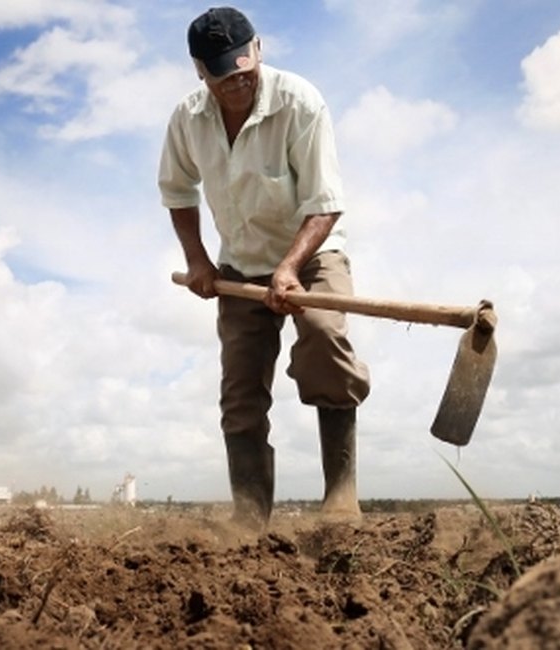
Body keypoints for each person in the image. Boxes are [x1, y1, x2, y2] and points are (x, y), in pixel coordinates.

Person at [158, 7, 370, 529]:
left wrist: (291, 268)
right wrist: (198, 260)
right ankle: (249, 516)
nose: (237, 85)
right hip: (239, 266)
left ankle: (341, 496)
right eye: (223, 78)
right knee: (240, 390)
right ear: (200, 73)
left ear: (259, 50)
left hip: (313, 252)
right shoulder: (187, 119)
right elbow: (177, 190)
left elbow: (325, 201)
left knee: (323, 337)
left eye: (244, 71)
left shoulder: (301, 103)